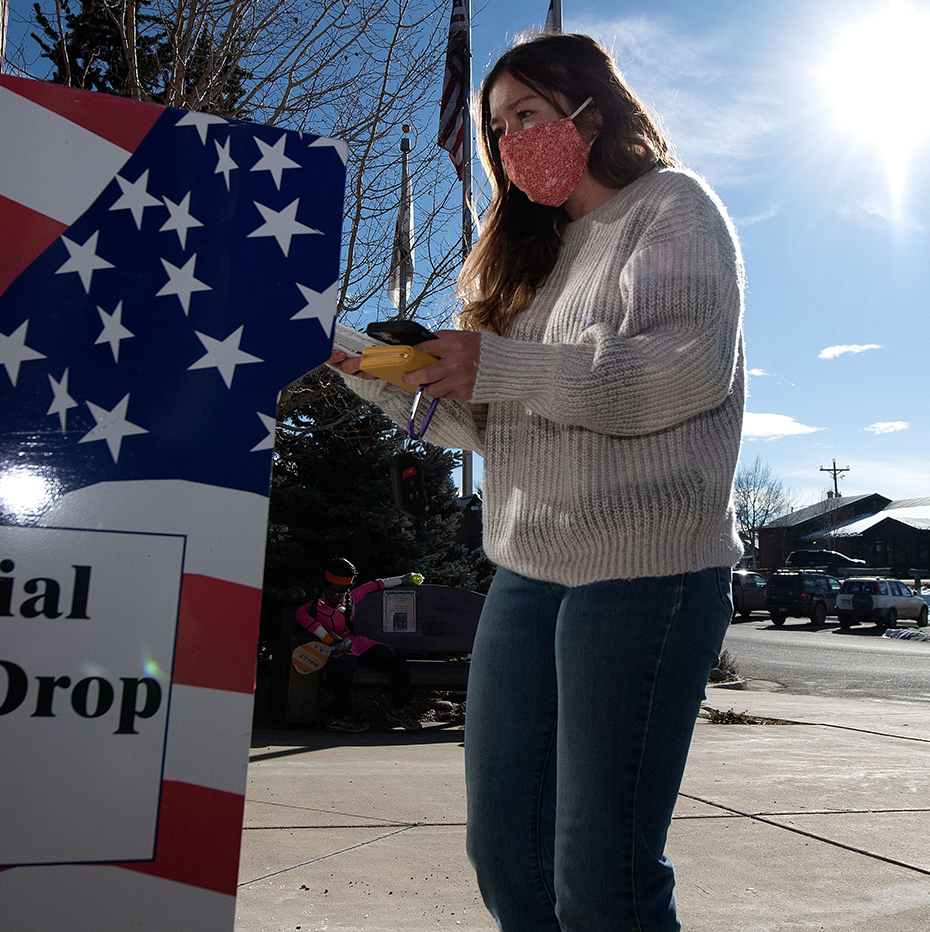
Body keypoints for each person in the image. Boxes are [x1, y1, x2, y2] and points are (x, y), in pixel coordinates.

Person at [330, 32, 744, 932]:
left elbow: (681, 370)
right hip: (525, 573)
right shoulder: (531, 264)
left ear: (591, 111)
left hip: (646, 574)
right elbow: (491, 422)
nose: (511, 140)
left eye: (527, 114)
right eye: (496, 128)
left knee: (600, 872)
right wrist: (364, 366)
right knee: (508, 860)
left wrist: (502, 369)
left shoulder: (670, 209)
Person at [295, 557, 425, 733]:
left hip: (355, 644)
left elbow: (376, 585)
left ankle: (399, 709)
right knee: (344, 668)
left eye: (341, 593)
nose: (337, 597)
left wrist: (403, 579)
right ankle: (339, 717)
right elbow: (300, 615)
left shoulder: (351, 598)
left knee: (396, 662)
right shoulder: (313, 607)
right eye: (332, 593)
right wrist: (325, 636)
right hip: (334, 650)